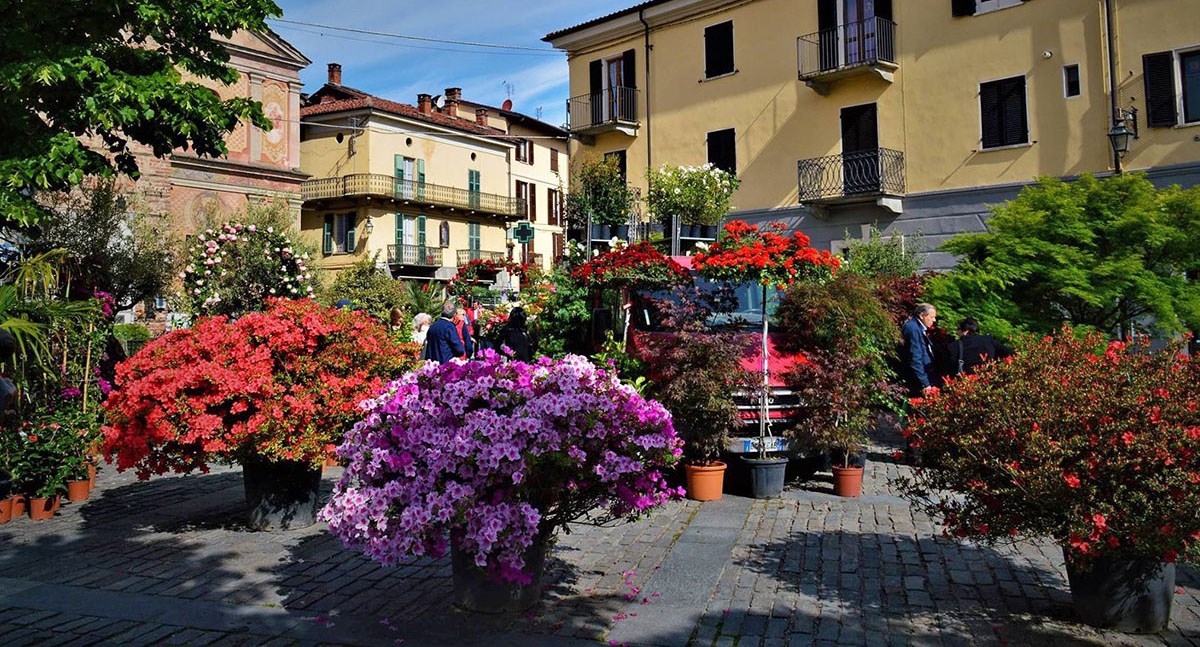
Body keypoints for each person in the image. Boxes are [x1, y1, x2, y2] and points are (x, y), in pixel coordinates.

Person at [946, 318, 1013, 378]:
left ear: (966, 331)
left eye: (958, 329)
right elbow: (1011, 354)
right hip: (987, 382)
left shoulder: (954, 346)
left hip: (964, 384)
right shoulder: (989, 340)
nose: (957, 332)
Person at [900, 302, 939, 397]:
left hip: (923, 375)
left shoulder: (918, 328)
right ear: (922, 315)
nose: (934, 320)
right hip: (915, 379)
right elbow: (915, 357)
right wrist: (925, 383)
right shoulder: (913, 329)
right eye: (932, 317)